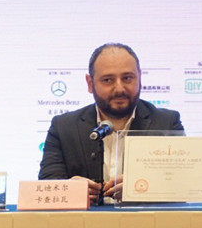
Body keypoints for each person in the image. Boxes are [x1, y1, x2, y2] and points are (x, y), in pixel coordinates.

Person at [38, 43, 184, 204]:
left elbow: (183, 184)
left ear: (140, 78)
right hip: (85, 220)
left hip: (144, 219)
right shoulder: (64, 127)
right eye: (108, 80)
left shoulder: (166, 123)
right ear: (90, 83)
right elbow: (47, 185)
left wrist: (142, 188)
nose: (119, 88)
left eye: (127, 78)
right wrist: (69, 190)